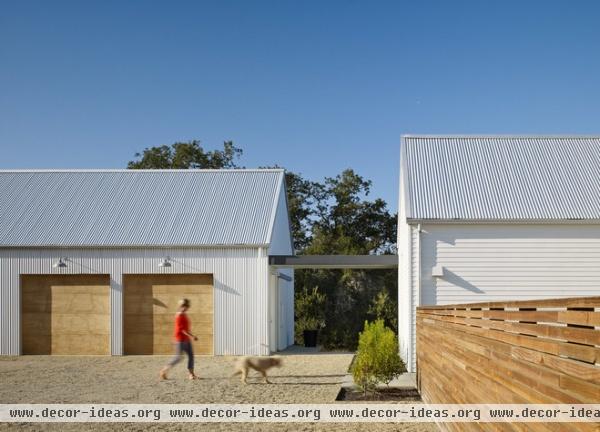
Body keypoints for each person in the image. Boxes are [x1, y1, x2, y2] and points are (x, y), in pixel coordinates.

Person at [159, 298, 199, 380]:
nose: (186, 307)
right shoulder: (179, 315)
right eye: (184, 306)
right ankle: (164, 370)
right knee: (178, 357)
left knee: (191, 356)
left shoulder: (184, 314)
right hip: (180, 340)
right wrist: (192, 336)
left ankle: (191, 375)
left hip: (186, 339)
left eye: (187, 306)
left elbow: (186, 328)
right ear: (181, 306)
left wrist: (190, 336)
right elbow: (182, 329)